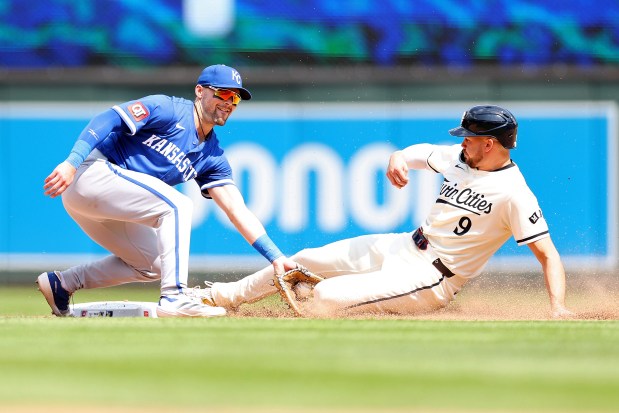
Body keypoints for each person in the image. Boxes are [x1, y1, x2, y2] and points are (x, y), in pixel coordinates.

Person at [194, 105, 573, 319]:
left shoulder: (514, 194)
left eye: (470, 137)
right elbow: (415, 152)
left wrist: (558, 307)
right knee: (302, 259)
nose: (463, 142)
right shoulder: (460, 159)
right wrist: (398, 160)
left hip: (432, 277)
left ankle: (314, 297)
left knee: (325, 298)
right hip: (402, 246)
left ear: (490, 144)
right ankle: (219, 298)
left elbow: (548, 254)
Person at [37, 64, 299, 318]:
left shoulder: (212, 156)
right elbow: (110, 118)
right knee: (178, 205)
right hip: (91, 175)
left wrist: (276, 257)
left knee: (155, 265)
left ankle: (64, 284)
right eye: (223, 93)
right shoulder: (169, 109)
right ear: (200, 91)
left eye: (236, 98)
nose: (229, 102)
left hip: (108, 206)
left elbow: (235, 209)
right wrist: (72, 162)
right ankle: (174, 296)